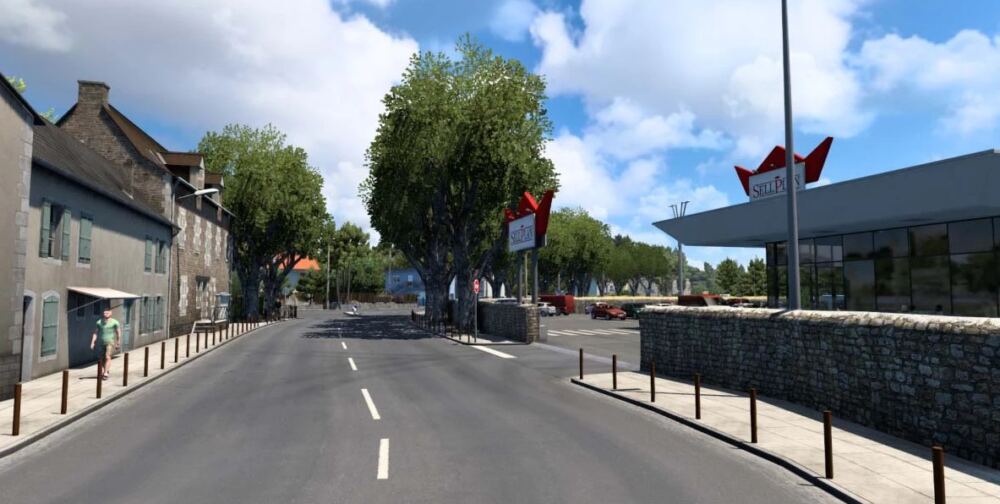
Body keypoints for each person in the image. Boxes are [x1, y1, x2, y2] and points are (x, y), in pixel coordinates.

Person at [90, 308, 121, 380]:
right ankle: (106, 370)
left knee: (107, 356)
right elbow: (95, 333)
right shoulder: (99, 322)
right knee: (102, 358)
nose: (105, 314)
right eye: (104, 313)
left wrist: (118, 342)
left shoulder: (115, 322)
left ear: (111, 313)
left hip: (110, 342)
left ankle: (105, 372)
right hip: (101, 343)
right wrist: (92, 342)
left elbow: (118, 332)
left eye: (107, 313)